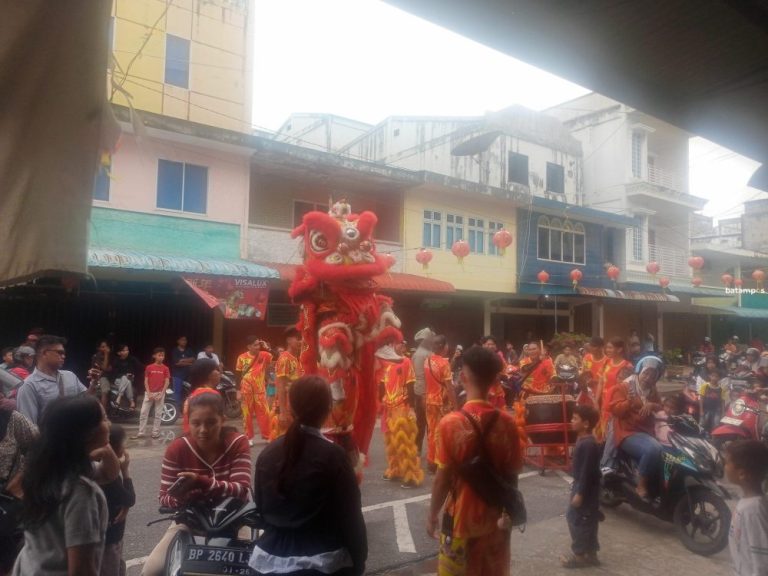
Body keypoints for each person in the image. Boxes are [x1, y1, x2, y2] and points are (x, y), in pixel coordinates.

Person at [250, 376, 367, 576]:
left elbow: (261, 511)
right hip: (323, 561)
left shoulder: (267, 454)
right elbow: (351, 517)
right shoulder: (334, 456)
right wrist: (358, 560)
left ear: (292, 408)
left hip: (266, 561)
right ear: (328, 408)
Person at [428, 346, 522, 576]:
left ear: (462, 377)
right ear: (494, 380)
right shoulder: (508, 424)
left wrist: (432, 515)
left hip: (460, 519)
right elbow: (512, 476)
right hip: (496, 522)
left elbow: (442, 479)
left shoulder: (450, 424)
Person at [143, 392, 252, 576]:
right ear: (188, 422)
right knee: (152, 570)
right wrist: (184, 498)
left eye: (211, 422)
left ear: (222, 420)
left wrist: (201, 482)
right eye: (196, 423)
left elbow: (241, 490)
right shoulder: (177, 449)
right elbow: (164, 497)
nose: (203, 430)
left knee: (254, 567)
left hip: (236, 520)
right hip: (190, 520)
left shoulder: (237, 443)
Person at [12, 396, 110, 576]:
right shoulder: (80, 492)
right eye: (103, 418)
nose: (108, 423)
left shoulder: (43, 472)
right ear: (88, 433)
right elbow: (81, 570)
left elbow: (109, 473)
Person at [609, 355, 664, 499]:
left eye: (653, 375)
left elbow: (660, 406)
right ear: (640, 371)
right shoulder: (625, 387)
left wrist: (652, 405)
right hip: (627, 432)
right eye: (646, 373)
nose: (648, 378)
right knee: (654, 449)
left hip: (647, 431)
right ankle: (641, 485)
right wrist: (628, 402)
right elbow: (615, 410)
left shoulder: (652, 390)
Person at [376, 344, 423, 488]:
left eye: (398, 343)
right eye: (391, 343)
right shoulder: (385, 364)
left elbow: (411, 385)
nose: (395, 346)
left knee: (405, 442)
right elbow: (382, 386)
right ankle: (395, 469)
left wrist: (412, 408)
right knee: (391, 441)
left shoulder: (406, 361)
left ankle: (411, 476)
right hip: (389, 407)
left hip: (402, 406)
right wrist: (380, 402)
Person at [560, 404, 601, 568]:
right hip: (583, 487)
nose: (571, 421)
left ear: (586, 423)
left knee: (577, 519)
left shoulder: (588, 444)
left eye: (575, 419)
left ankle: (579, 555)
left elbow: (586, 472)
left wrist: (580, 493)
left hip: (584, 489)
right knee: (588, 520)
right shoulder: (584, 441)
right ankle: (591, 554)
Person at [16, 335, 87, 425]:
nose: (64, 356)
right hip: (50, 438)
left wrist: (94, 383)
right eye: (59, 352)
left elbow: (86, 400)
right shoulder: (28, 386)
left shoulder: (70, 375)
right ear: (44, 353)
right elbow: (28, 428)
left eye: (64, 353)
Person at [0, 403, 37, 575]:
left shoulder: (12, 420)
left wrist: (19, 480)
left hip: (7, 501)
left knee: (8, 561)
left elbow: (39, 446)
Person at [725, 440, 768, 576]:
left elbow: (762, 560)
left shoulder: (753, 511)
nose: (724, 466)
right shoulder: (748, 503)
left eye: (727, 462)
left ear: (742, 474)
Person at [100, 425, 135, 576]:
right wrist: (125, 471)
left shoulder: (98, 469)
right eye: (123, 444)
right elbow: (129, 498)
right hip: (110, 538)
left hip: (107, 535)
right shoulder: (108, 476)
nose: (125, 447)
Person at [424, 335, 457, 474]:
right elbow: (449, 387)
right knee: (442, 432)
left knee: (431, 431)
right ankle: (439, 461)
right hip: (442, 402)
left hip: (429, 400)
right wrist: (455, 405)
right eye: (447, 345)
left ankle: (431, 461)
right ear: (443, 347)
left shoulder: (427, 361)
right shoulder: (444, 363)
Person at [236, 336, 273, 445]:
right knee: (247, 414)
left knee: (265, 414)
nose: (258, 347)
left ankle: (266, 436)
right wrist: (237, 391)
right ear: (249, 346)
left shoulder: (264, 355)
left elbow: (278, 356)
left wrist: (267, 348)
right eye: (255, 345)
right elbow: (238, 375)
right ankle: (249, 437)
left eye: (258, 344)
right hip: (245, 390)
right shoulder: (241, 357)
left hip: (260, 391)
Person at [595, 338, 631, 442]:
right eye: (607, 347)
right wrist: (596, 401)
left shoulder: (627, 366)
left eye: (610, 347)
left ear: (619, 350)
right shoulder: (606, 362)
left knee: (614, 434)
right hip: (605, 405)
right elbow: (601, 382)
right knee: (602, 433)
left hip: (617, 406)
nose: (607, 350)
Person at [131, 348, 170, 440]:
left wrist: (161, 394)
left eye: (163, 355)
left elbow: (167, 382)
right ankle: (141, 432)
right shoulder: (149, 367)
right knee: (143, 412)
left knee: (158, 414)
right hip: (149, 393)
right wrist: (148, 393)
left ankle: (155, 433)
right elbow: (146, 381)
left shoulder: (166, 368)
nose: (161, 357)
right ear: (154, 356)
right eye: (159, 355)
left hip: (160, 393)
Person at [272, 328, 302, 440]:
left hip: (294, 406)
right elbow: (280, 386)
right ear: (288, 340)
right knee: (285, 441)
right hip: (286, 408)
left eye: (302, 339)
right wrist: (283, 413)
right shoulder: (285, 359)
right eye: (298, 339)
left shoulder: (296, 359)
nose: (301, 342)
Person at [411, 327, 434, 455]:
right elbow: (423, 375)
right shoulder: (423, 353)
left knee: (421, 422)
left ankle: (417, 449)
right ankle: (423, 450)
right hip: (424, 391)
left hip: (420, 390)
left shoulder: (420, 352)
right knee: (426, 422)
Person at [480, 336, 508, 409]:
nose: (490, 346)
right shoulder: (478, 357)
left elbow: (505, 371)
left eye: (493, 344)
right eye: (488, 344)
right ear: (483, 345)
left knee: (500, 415)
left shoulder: (499, 357)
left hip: (497, 391)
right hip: (483, 391)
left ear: (496, 346)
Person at [111, 344, 143, 410]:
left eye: (127, 350)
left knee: (127, 379)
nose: (126, 352)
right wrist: (125, 375)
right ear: (119, 353)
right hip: (118, 380)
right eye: (124, 350)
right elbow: (114, 374)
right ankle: (131, 401)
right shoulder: (116, 361)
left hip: (130, 378)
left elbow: (141, 366)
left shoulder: (132, 359)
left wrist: (132, 374)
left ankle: (118, 398)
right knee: (125, 378)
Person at [170, 336, 195, 406]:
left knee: (189, 392)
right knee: (177, 393)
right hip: (178, 375)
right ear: (178, 341)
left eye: (185, 340)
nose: (184, 341)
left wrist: (182, 360)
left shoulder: (189, 350)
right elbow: (177, 363)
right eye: (182, 340)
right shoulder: (175, 351)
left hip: (188, 376)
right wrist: (189, 363)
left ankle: (186, 409)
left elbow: (193, 359)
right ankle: (176, 409)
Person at [581, 337, 607, 402]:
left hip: (601, 395)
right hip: (587, 393)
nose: (591, 348)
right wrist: (585, 380)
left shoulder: (607, 361)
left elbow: (607, 380)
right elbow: (583, 373)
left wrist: (595, 381)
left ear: (601, 347)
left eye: (594, 346)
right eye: (590, 345)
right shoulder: (587, 357)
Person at [92, 340, 114, 412]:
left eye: (106, 346)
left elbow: (111, 368)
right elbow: (104, 368)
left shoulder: (111, 355)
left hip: (111, 377)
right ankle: (102, 413)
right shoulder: (97, 356)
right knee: (105, 391)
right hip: (101, 377)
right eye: (103, 347)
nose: (105, 348)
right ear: (99, 348)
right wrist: (106, 355)